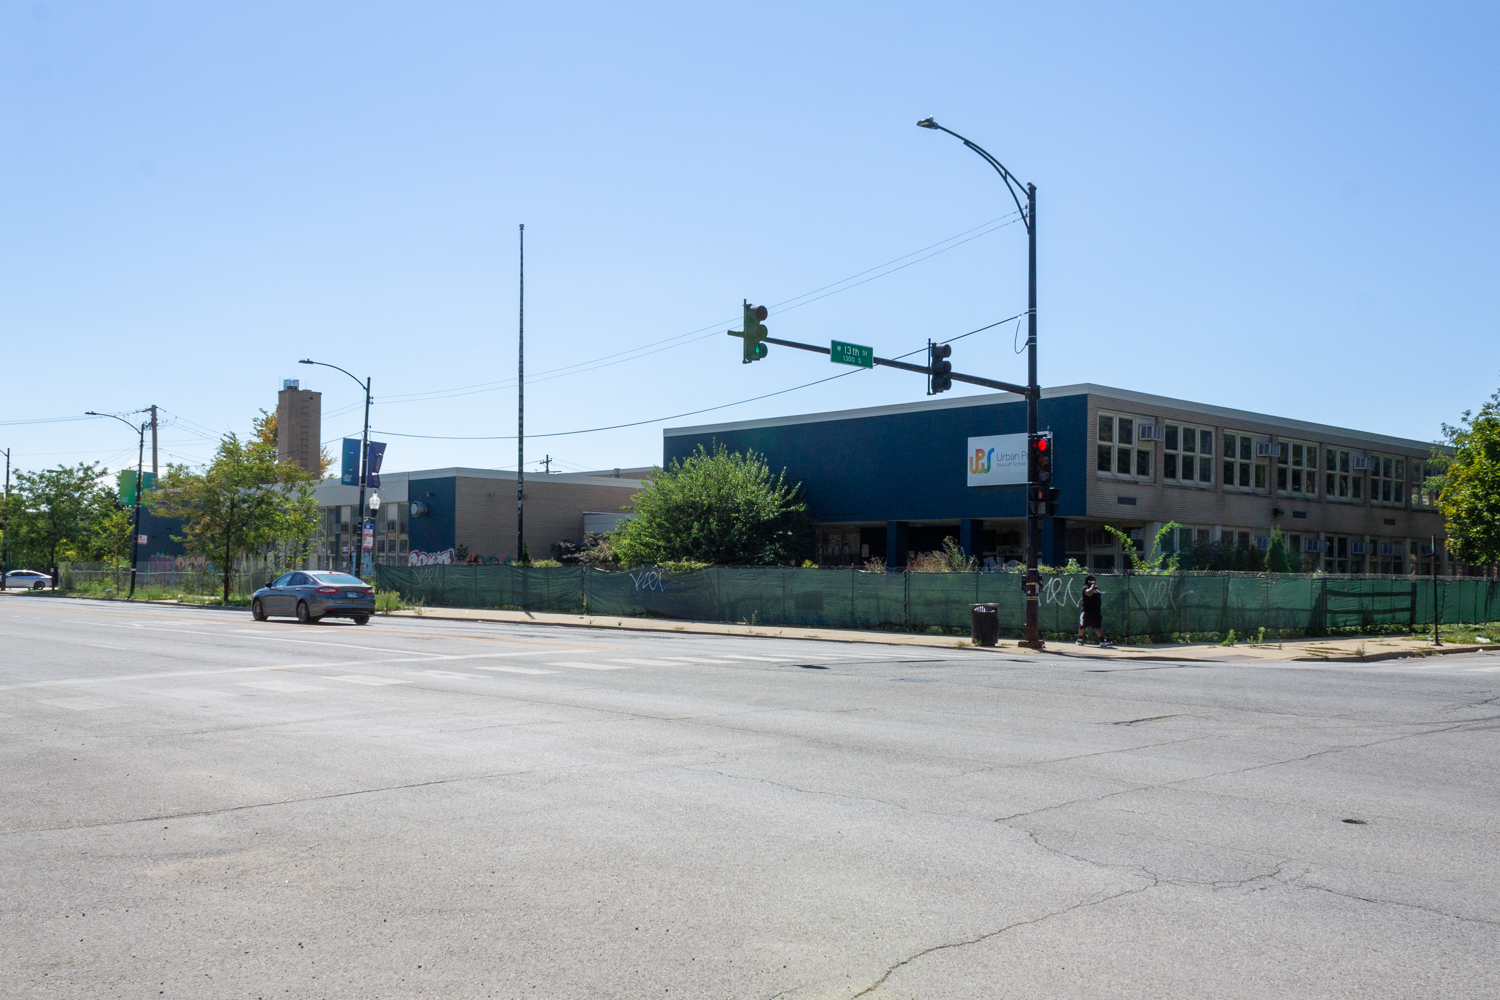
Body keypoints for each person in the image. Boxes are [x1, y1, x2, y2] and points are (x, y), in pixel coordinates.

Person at [1077, 574, 1111, 647]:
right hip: (1087, 611)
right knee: (1083, 625)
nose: (1094, 581)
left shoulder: (1096, 588)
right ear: (1089, 581)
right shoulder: (1085, 588)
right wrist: (1092, 585)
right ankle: (1079, 640)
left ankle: (1102, 641)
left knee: (1098, 626)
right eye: (1093, 580)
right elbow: (1089, 593)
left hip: (1096, 611)